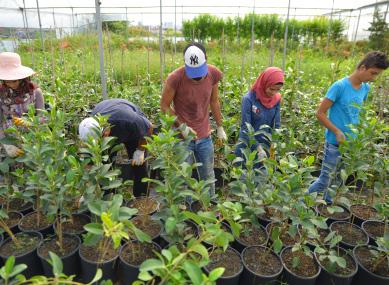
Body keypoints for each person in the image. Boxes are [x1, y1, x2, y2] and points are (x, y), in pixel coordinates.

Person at [308, 51, 389, 202]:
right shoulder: (339, 86)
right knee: (324, 180)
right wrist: (337, 131)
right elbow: (320, 113)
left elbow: (357, 114)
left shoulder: (365, 88)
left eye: (376, 75)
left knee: (339, 180)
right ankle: (300, 202)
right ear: (362, 68)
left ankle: (326, 206)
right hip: (334, 143)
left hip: (351, 145)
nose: (373, 78)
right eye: (372, 73)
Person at [160, 42, 227, 196]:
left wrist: (219, 126)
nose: (197, 78)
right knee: (183, 178)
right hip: (182, 138)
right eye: (193, 74)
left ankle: (209, 207)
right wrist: (182, 127)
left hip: (204, 136)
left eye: (200, 73)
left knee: (208, 175)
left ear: (206, 60)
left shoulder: (213, 73)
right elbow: (164, 105)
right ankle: (185, 213)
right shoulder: (175, 78)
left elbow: (214, 100)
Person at [79, 99, 153, 197]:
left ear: (105, 128)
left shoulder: (130, 120)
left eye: (101, 138)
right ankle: (108, 197)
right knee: (105, 168)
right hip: (113, 122)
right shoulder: (88, 125)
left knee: (139, 166)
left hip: (131, 131)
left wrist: (140, 150)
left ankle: (141, 198)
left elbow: (149, 128)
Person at [235, 67, 284, 167]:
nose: (274, 92)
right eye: (271, 89)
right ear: (264, 83)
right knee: (246, 178)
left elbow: (276, 124)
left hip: (266, 146)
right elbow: (246, 128)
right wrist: (258, 148)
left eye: (277, 90)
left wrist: (274, 144)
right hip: (247, 146)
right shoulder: (248, 99)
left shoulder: (276, 99)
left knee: (262, 179)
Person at [0, 52, 44, 157]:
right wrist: (6, 144)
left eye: (14, 81)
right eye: (6, 81)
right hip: (9, 138)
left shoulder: (35, 92)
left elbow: (43, 117)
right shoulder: (1, 94)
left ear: (22, 78)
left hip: (32, 139)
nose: (11, 84)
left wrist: (29, 122)